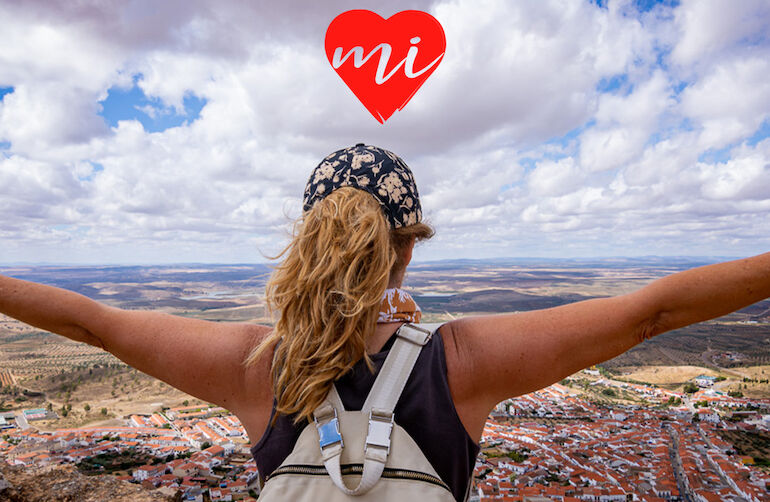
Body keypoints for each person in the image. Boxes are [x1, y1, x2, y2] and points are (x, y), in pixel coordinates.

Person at [1, 143, 769, 501]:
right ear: (406, 249)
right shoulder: (459, 362)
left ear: (307, 241)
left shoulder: (251, 366)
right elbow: (653, 312)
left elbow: (94, 323)